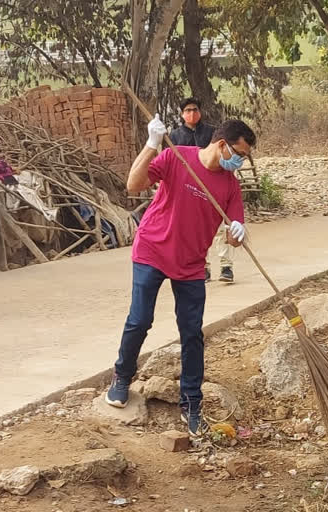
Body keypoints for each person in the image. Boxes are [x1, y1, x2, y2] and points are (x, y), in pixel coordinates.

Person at [105, 114, 255, 437]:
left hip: (190, 264)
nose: (240, 162)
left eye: (244, 157)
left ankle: (191, 402)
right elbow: (133, 185)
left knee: (191, 334)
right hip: (152, 251)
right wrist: (151, 144)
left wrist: (239, 231)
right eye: (239, 154)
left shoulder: (230, 186)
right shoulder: (177, 156)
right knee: (139, 320)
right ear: (221, 145)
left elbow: (232, 237)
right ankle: (122, 377)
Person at [169, 97, 236, 284]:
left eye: (195, 109)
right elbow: (172, 161)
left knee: (222, 228)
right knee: (196, 229)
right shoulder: (175, 136)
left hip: (212, 184)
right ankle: (203, 267)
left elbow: (221, 155)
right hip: (188, 188)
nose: (192, 113)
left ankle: (226, 266)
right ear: (182, 114)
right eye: (188, 110)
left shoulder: (212, 133)